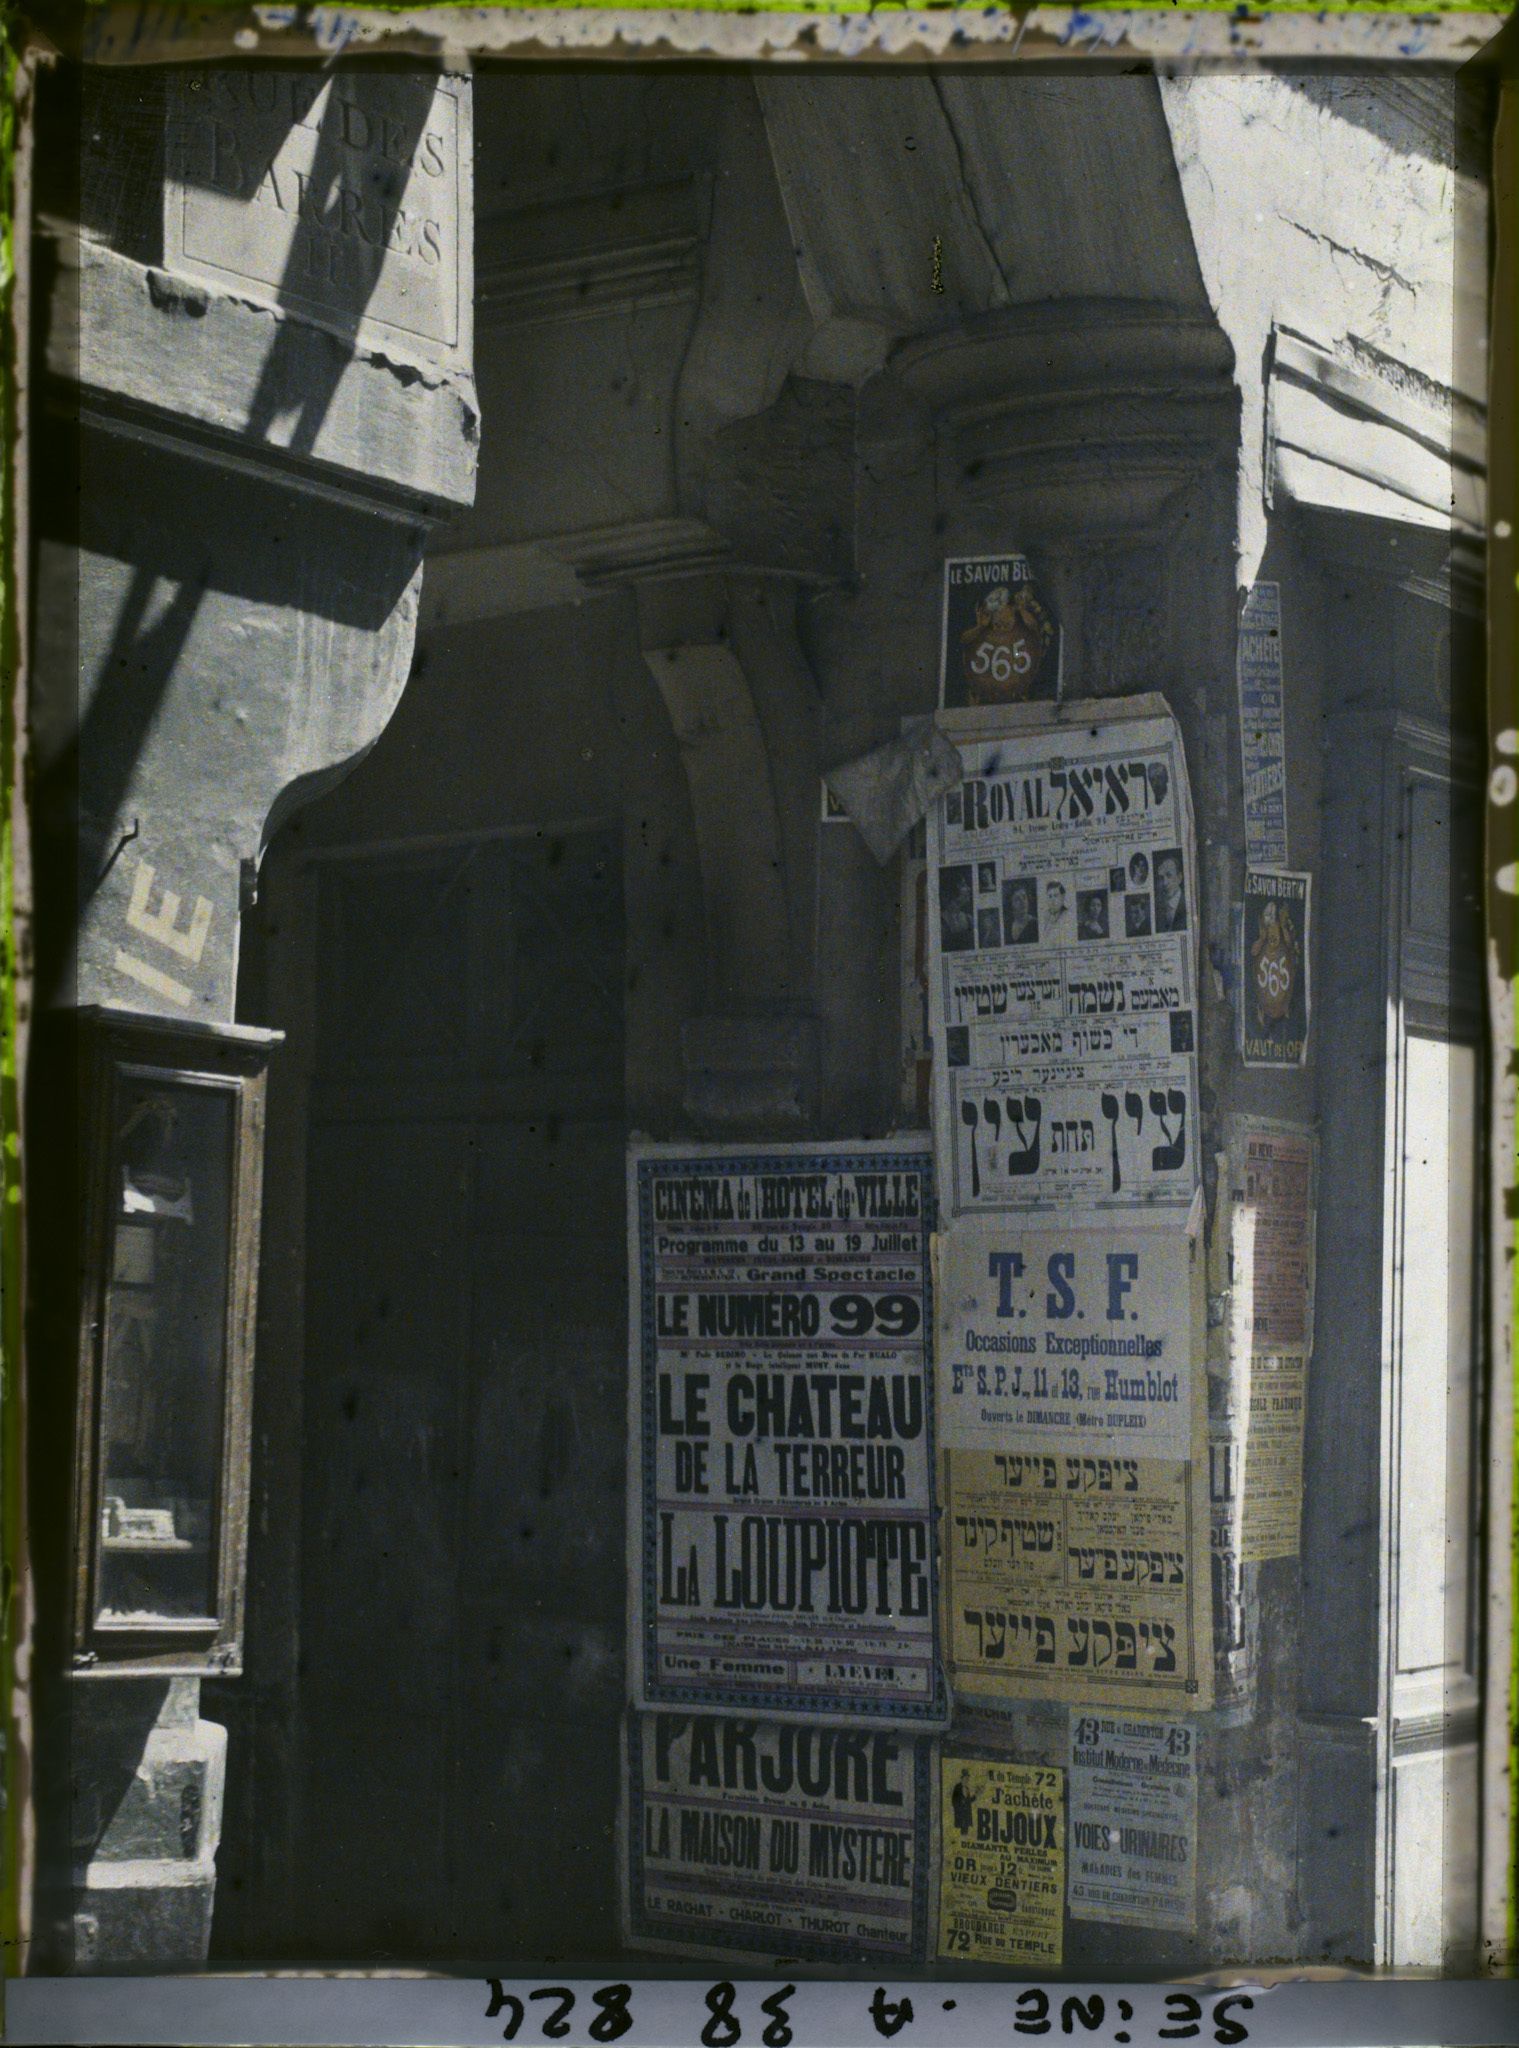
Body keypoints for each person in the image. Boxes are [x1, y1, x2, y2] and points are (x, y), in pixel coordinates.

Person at [1154, 850, 1187, 932]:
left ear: (1179, 877)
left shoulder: (1188, 902)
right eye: (1161, 877)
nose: (1164, 883)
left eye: (1169, 875)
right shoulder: (1156, 906)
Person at [1001, 880, 1039, 946]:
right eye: (1017, 899)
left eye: (1024, 897)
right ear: (1011, 904)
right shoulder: (1006, 926)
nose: (1023, 902)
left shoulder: (1036, 924)